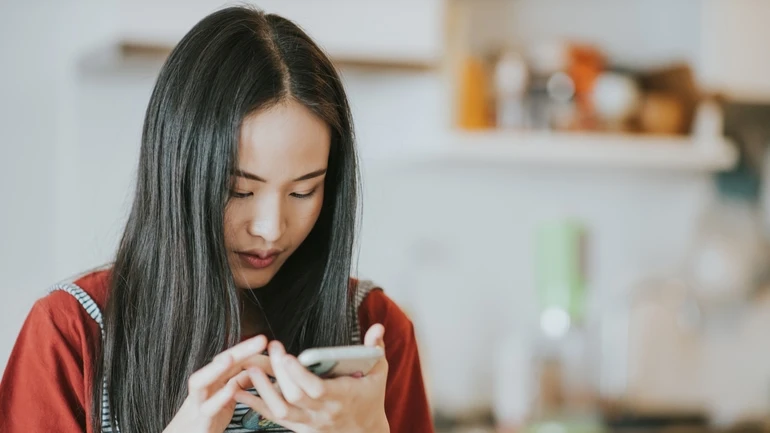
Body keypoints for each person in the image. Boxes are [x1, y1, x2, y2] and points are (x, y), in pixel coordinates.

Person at [0, 6, 433, 433]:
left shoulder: (376, 327)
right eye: (238, 191)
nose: (270, 227)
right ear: (176, 173)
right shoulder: (71, 333)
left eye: (303, 191)